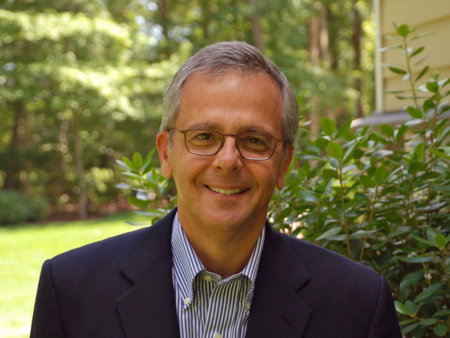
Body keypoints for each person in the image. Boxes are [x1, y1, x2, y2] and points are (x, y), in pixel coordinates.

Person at [31, 41, 402, 338]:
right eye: (204, 137)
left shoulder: (358, 305)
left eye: (254, 140)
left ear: (284, 163)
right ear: (166, 153)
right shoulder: (70, 292)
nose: (228, 160)